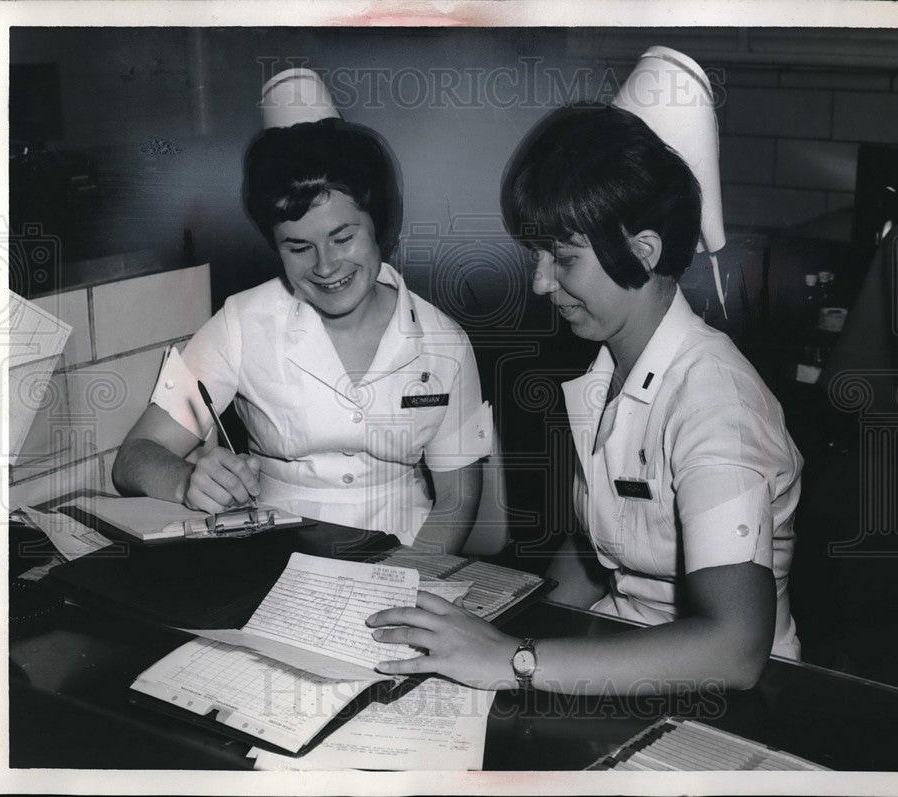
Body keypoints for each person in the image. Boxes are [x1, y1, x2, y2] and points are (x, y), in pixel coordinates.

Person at [367, 96, 803, 694]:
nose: (541, 282)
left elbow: (735, 647)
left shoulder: (716, 404)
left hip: (718, 693)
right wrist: (516, 623)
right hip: (613, 650)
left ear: (643, 252)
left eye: (563, 259)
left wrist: (515, 659)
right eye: (537, 256)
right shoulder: (606, 370)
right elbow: (599, 543)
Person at [113, 70, 492, 551]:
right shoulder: (240, 324)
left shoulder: (445, 343)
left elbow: (457, 501)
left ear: (380, 224)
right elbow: (134, 455)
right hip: (275, 558)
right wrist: (185, 479)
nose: (326, 266)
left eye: (343, 237)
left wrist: (405, 587)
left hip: (410, 552)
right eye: (298, 248)